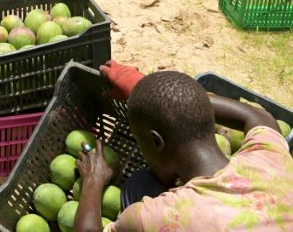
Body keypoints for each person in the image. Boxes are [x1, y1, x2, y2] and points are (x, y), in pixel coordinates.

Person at [74, 60, 293, 231]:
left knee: (137, 186)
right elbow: (257, 116)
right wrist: (149, 92)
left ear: (157, 142)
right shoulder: (270, 155)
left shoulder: (160, 216)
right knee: (142, 183)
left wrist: (93, 180)